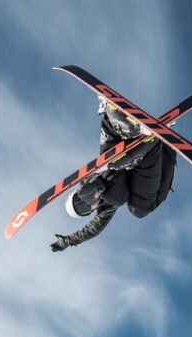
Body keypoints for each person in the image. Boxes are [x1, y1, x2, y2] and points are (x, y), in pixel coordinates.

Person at [50, 98, 176, 252]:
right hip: (146, 158)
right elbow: (94, 228)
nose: (89, 207)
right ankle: (157, 143)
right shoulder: (107, 206)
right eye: (86, 211)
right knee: (138, 209)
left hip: (122, 148)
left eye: (83, 205)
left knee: (107, 171)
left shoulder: (91, 181)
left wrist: (89, 192)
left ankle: (113, 115)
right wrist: (70, 240)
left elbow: (88, 186)